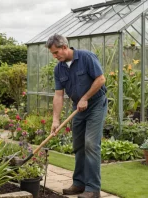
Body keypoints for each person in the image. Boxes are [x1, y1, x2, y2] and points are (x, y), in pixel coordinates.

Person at [46, 34, 107, 198]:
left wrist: (85, 98)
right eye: (53, 54)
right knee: (78, 145)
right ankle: (79, 183)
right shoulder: (59, 68)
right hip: (78, 108)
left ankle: (93, 189)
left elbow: (101, 79)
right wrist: (55, 120)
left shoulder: (86, 57)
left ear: (65, 47)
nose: (55, 56)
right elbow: (59, 95)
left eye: (56, 52)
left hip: (95, 105)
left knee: (91, 144)